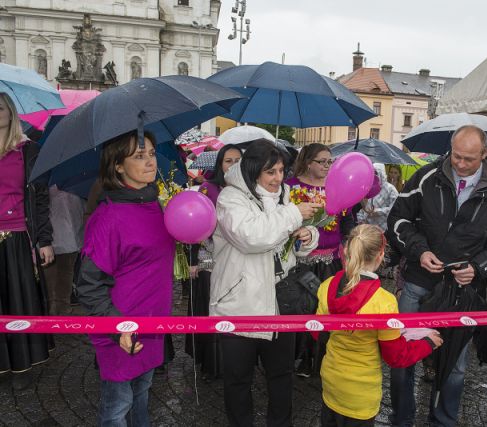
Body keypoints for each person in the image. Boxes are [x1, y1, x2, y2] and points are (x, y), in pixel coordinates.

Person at [386, 125, 487, 427]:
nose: (459, 164)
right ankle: (401, 418)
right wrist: (419, 251)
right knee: (401, 358)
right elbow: (398, 219)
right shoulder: (426, 177)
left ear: (484, 154)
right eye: (455, 155)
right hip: (418, 283)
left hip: (460, 292)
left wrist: (478, 267)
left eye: (468, 159)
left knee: (456, 366)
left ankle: (443, 420)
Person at [209, 140, 320, 426]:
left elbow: (286, 243)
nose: (278, 178)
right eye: (271, 172)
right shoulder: (230, 198)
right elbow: (253, 237)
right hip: (240, 304)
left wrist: (307, 237)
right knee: (238, 380)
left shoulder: (283, 195)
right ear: (254, 170)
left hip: (279, 303)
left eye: (282, 170)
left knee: (282, 376)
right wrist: (294, 214)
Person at [77, 131, 174, 426]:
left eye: (152, 154)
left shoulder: (155, 205)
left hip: (152, 321)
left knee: (142, 393)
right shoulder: (108, 217)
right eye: (139, 156)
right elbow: (88, 285)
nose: (150, 162)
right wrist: (117, 328)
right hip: (122, 327)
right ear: (117, 165)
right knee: (118, 405)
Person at [316, 224, 442, 426]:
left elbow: (319, 335)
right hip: (361, 395)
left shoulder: (327, 285)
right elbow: (396, 356)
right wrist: (427, 342)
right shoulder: (384, 301)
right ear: (381, 255)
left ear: (347, 250)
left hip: (331, 385)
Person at [286, 143, 355, 377]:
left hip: (331, 262)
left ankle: (322, 358)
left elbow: (348, 221)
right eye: (322, 161)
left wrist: (348, 241)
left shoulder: (337, 187)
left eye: (330, 162)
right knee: (302, 310)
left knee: (326, 311)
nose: (327, 166)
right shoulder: (290, 188)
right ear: (307, 162)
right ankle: (301, 356)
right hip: (300, 263)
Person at [0, 93, 55, 383]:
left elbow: (40, 198)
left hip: (19, 236)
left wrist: (44, 239)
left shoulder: (28, 151)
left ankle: (22, 363)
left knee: (19, 300)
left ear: (10, 113)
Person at [185, 144, 242, 380]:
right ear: (219, 164)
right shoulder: (208, 189)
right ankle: (212, 364)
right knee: (212, 312)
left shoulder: (249, 189)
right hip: (211, 260)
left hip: (239, 262)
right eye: (228, 161)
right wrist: (192, 260)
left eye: (238, 160)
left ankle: (236, 360)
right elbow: (194, 225)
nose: (234, 165)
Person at [43, 185, 86, 315]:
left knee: (66, 273)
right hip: (50, 234)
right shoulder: (44, 181)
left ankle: (62, 308)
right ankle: (52, 309)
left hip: (71, 232)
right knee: (50, 275)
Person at [357, 163, 399, 231]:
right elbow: (365, 209)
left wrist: (377, 211)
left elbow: (394, 209)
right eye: (372, 172)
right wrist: (361, 219)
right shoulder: (368, 187)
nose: (374, 175)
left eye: (376, 172)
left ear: (382, 173)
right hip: (367, 229)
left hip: (384, 229)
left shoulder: (390, 189)